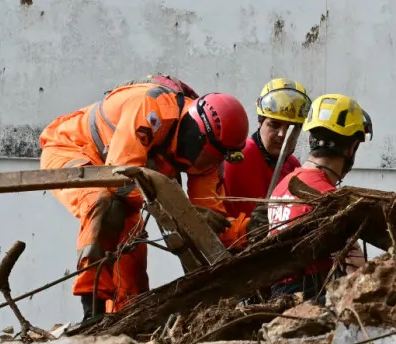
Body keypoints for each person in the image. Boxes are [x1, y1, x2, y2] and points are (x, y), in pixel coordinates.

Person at [39, 75, 248, 318]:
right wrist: (181, 211)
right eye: (208, 156)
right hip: (72, 148)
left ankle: (122, 323)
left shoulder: (210, 160)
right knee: (103, 204)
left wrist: (248, 229)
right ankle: (91, 310)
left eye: (215, 159)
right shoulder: (152, 107)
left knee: (132, 261)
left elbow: (208, 227)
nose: (207, 165)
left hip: (124, 180)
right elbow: (118, 181)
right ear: (196, 135)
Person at [267, 93, 372, 299]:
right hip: (312, 303)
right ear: (352, 148)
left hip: (278, 300)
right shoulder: (329, 200)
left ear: (310, 139)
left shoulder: (281, 187)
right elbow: (357, 270)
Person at [222, 77, 310, 232]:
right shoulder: (237, 160)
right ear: (260, 122)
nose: (282, 134)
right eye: (274, 125)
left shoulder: (293, 166)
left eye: (292, 128)